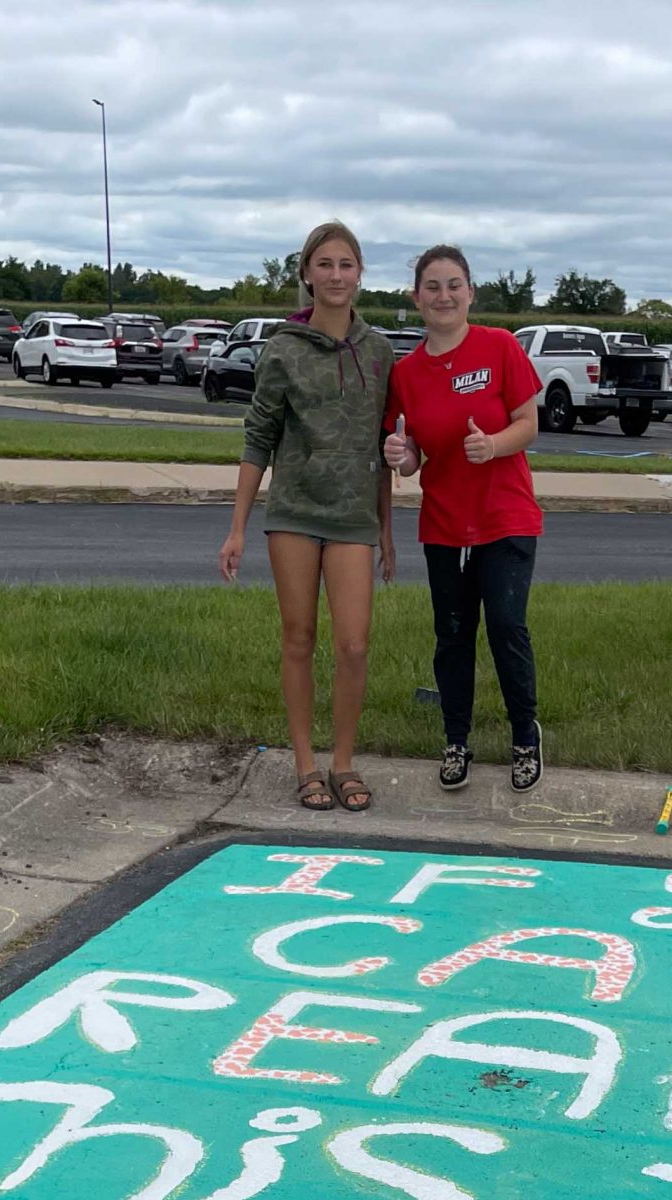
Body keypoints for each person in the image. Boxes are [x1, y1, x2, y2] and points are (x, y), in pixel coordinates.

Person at [218, 221, 395, 813]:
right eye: (325, 265)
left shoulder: (379, 352)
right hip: (293, 512)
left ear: (360, 274)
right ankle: (304, 764)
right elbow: (258, 438)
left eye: (346, 264)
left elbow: (383, 448)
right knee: (299, 639)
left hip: (351, 517)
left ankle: (343, 762)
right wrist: (239, 526)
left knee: (353, 644)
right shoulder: (282, 349)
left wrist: (386, 533)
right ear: (306, 275)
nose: (336, 275)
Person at [383, 244, 544, 793]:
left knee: (505, 626)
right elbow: (412, 453)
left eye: (454, 284)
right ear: (417, 298)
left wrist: (494, 445)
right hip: (445, 525)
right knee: (453, 636)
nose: (444, 295)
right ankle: (456, 742)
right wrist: (400, 456)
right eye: (432, 286)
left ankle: (525, 737)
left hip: (506, 517)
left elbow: (529, 424)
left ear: (470, 292)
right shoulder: (406, 374)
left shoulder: (499, 347)